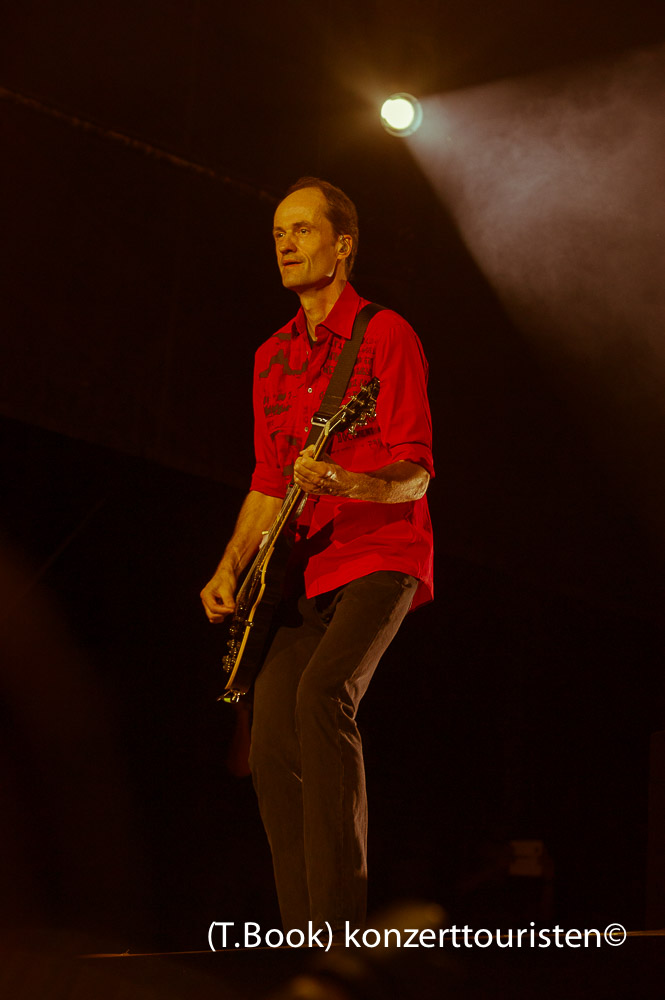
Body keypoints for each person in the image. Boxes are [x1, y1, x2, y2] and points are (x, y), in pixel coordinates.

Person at [200, 177, 434, 935]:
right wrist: (229, 566)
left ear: (343, 245)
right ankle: (300, 936)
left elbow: (416, 472)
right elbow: (268, 483)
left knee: (322, 696)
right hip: (301, 570)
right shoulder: (270, 356)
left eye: (302, 230)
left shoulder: (385, 334)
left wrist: (347, 481)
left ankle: (339, 927)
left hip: (381, 552)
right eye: (278, 233)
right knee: (270, 741)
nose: (286, 244)